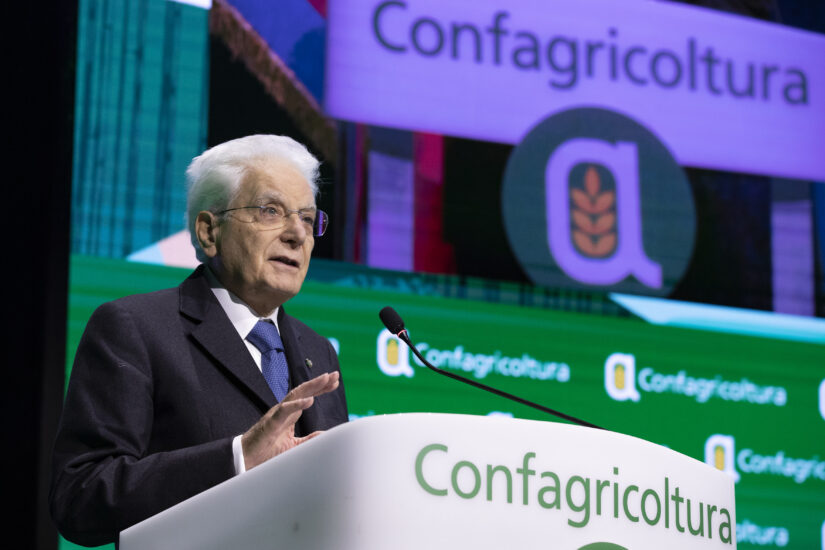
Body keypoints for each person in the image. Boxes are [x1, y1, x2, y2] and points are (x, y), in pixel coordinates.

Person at [50, 135, 348, 547]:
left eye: (307, 217)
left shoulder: (319, 352)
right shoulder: (134, 327)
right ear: (209, 232)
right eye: (270, 211)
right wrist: (237, 457)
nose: (297, 234)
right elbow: (80, 496)